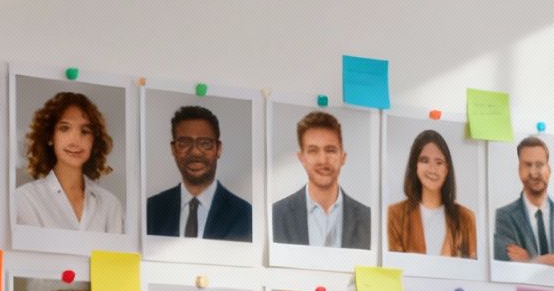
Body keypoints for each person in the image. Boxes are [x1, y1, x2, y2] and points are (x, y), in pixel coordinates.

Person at [12, 90, 124, 233]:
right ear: (50, 137)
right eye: (64, 128)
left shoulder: (110, 204)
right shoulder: (24, 199)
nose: (75, 141)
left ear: (94, 140)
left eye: (85, 131)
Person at [146, 105, 252, 241]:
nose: (195, 152)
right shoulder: (151, 209)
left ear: (218, 149)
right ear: (173, 149)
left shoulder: (245, 214)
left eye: (205, 143)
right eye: (184, 143)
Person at [270, 110, 372, 248]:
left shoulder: (367, 219)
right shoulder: (277, 215)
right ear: (302, 158)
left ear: (343, 157)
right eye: (313, 151)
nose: (323, 160)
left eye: (330, 150)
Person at [386, 129, 476, 257]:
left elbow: (473, 269)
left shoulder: (466, 218)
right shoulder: (394, 215)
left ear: (447, 169)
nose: (432, 169)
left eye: (439, 162)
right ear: (415, 166)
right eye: (424, 160)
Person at [492, 136, 554, 265]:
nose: (534, 173)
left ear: (549, 171)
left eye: (539, 165)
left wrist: (529, 260)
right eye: (528, 165)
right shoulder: (503, 217)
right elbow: (504, 259)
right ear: (519, 170)